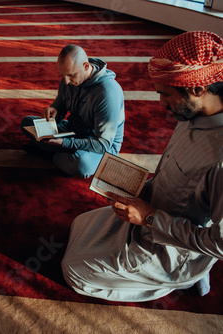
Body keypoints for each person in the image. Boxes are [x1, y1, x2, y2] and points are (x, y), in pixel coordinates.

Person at [61, 31, 223, 301]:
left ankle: (181, 279)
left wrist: (149, 218)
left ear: (197, 89)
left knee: (75, 271)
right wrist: (142, 190)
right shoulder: (191, 113)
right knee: (80, 223)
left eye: (166, 95)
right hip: (150, 211)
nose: (161, 103)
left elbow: (219, 243)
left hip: (172, 246)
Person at [20, 44, 125, 178]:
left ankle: (51, 153)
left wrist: (65, 143)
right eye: (63, 75)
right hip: (73, 130)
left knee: (82, 165)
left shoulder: (107, 92)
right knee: (27, 123)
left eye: (70, 75)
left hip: (99, 145)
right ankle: (62, 153)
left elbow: (103, 144)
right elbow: (60, 109)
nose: (66, 81)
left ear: (86, 66)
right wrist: (52, 112)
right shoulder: (68, 79)